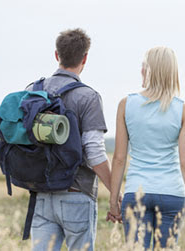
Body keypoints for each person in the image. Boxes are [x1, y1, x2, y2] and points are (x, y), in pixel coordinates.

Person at [107, 46, 185, 249]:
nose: (140, 70)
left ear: (148, 70)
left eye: (143, 66)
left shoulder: (126, 105)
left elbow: (119, 158)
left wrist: (113, 202)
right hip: (172, 194)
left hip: (136, 193)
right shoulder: (184, 110)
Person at [29, 28, 114, 251]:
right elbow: (94, 151)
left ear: (56, 55)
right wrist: (116, 192)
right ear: (85, 58)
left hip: (41, 195)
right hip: (77, 193)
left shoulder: (33, 91)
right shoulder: (88, 97)